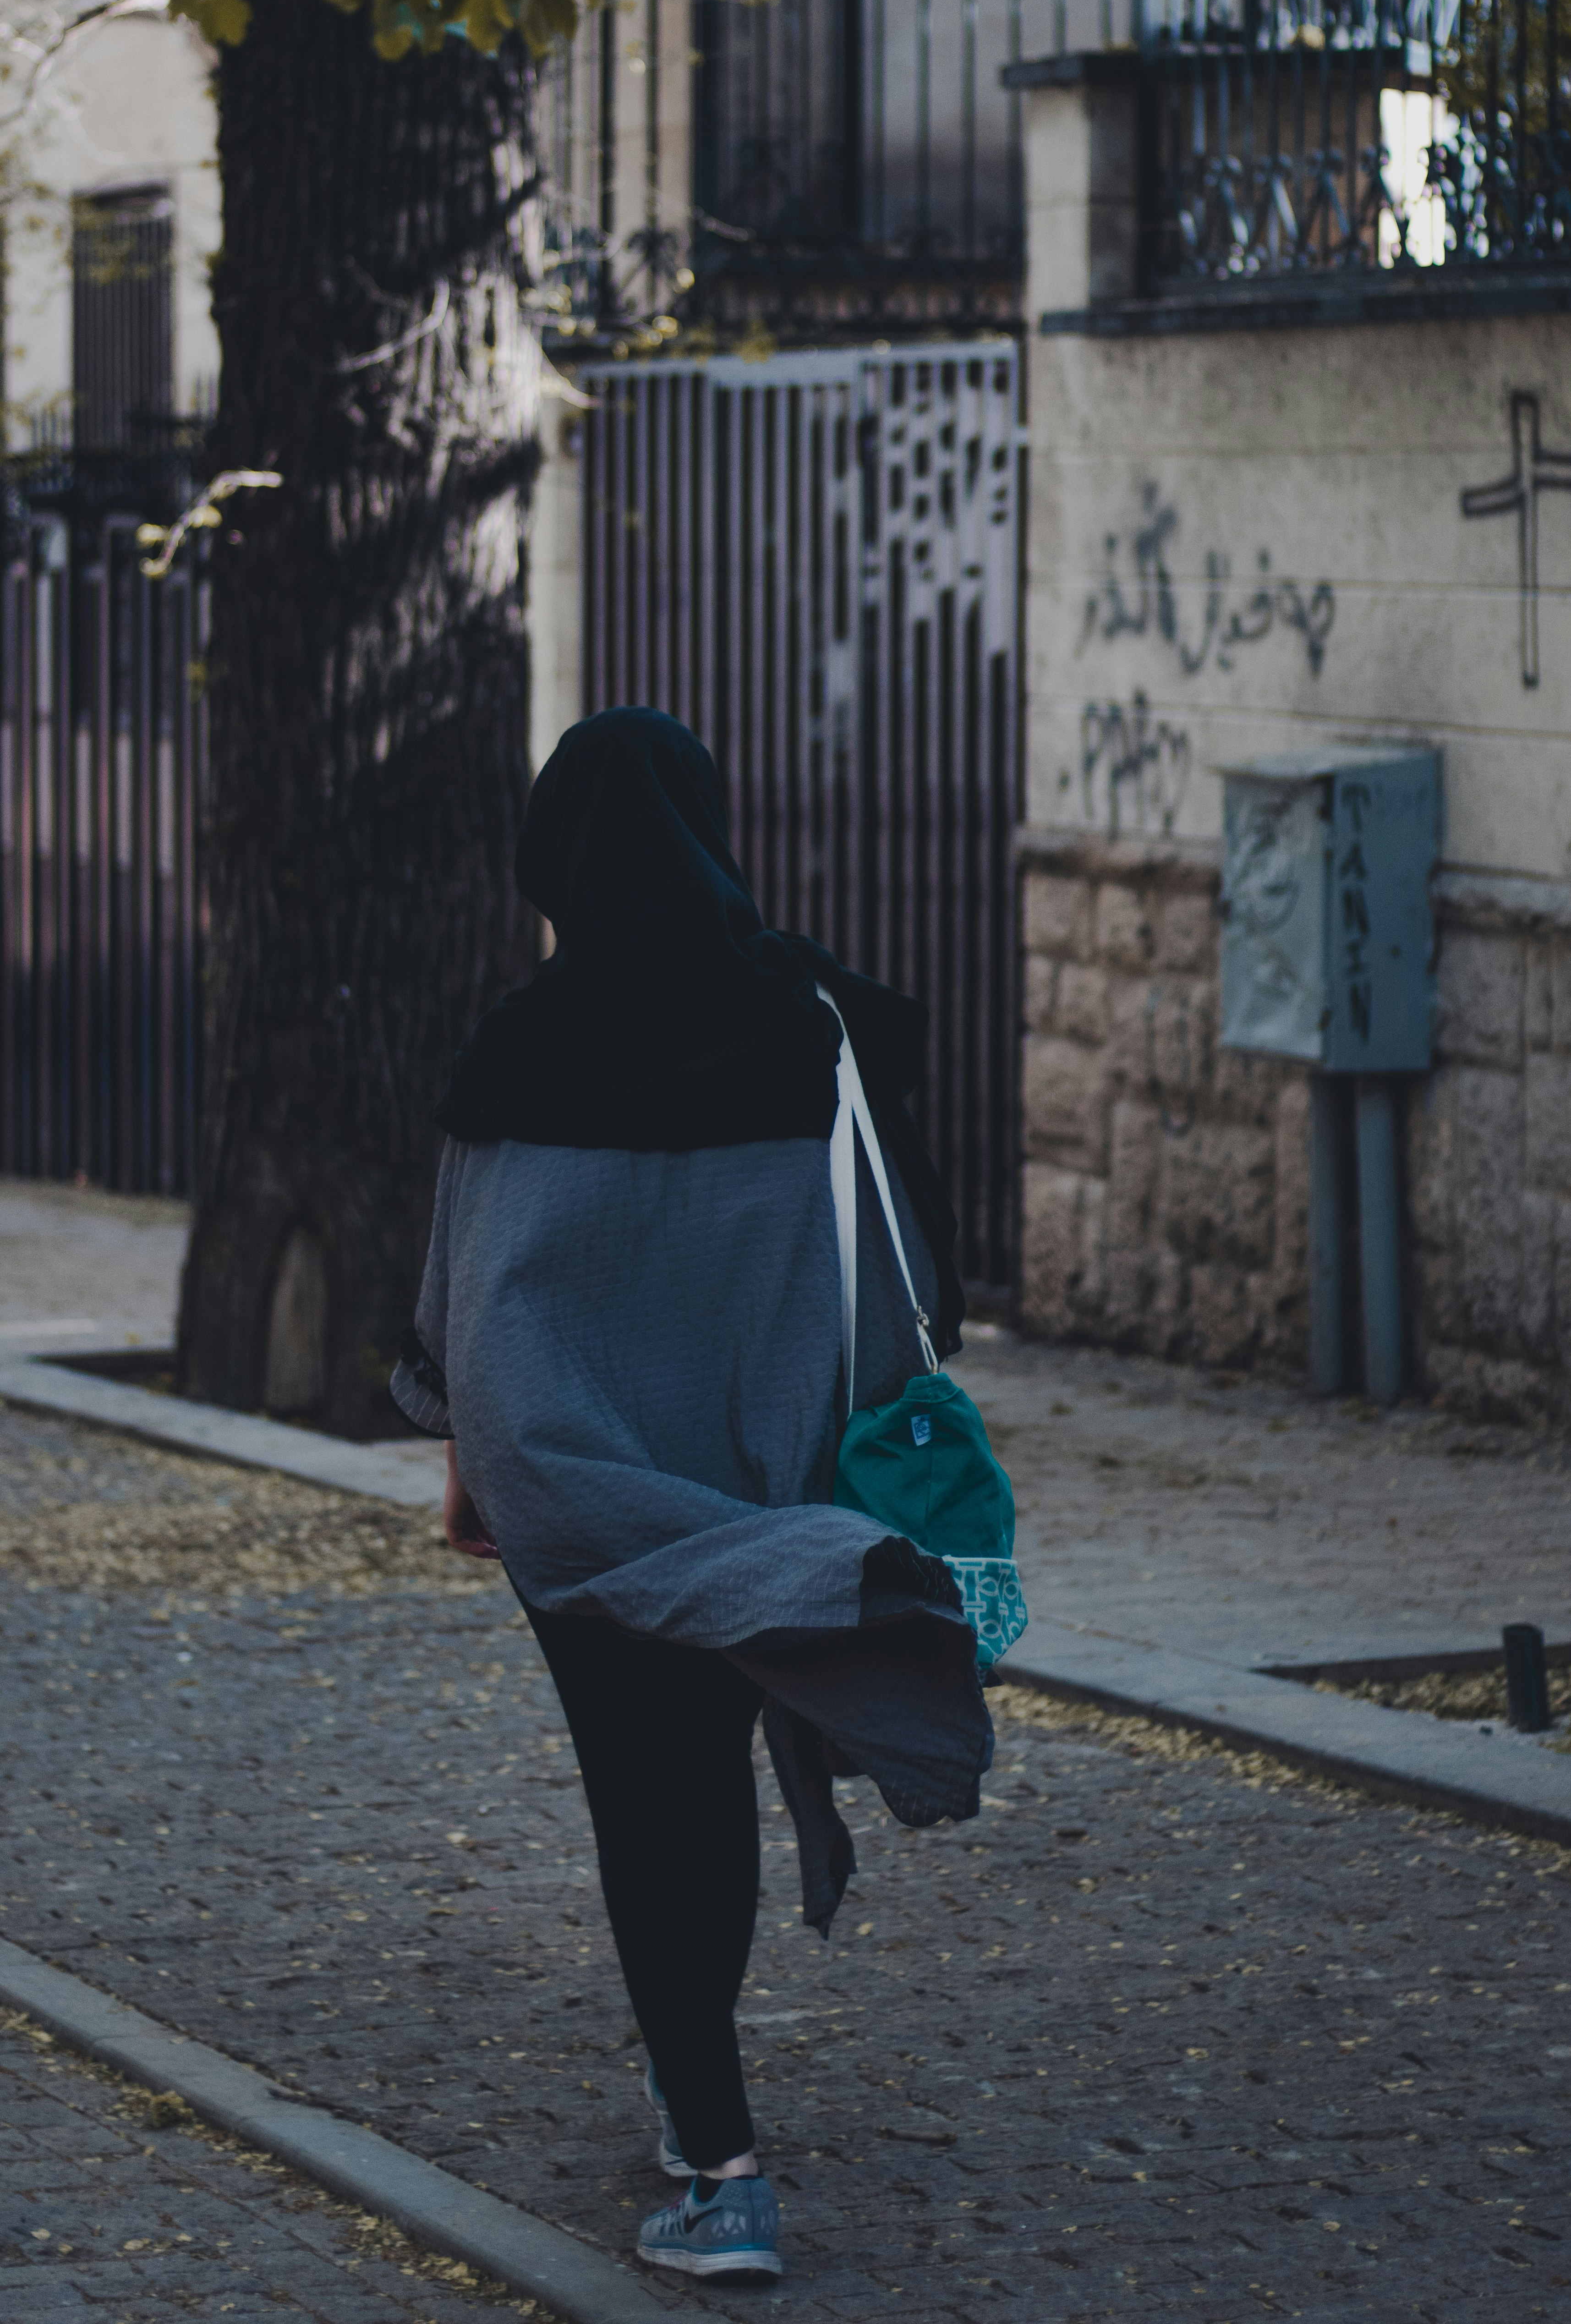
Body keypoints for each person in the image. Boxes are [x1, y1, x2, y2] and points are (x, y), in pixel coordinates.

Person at [390, 706, 991, 2282]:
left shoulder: (523, 1045)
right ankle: (694, 2096)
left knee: (638, 1791)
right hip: (752, 1501)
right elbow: (909, 1256)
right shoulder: (806, 1022)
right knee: (703, 1778)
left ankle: (724, 2157)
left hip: (572, 1501)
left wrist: (472, 1477)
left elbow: (469, 1301)